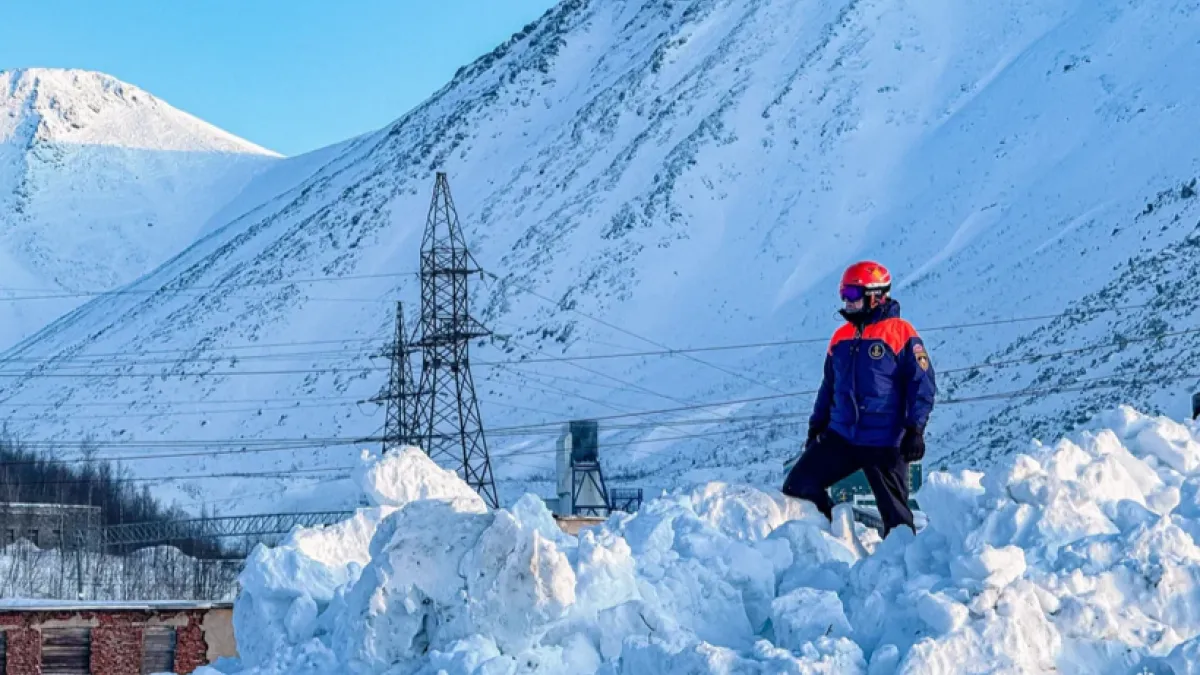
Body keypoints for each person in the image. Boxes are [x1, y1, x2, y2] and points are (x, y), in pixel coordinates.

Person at [782, 260, 936, 537]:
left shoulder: (901, 334)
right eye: (844, 294)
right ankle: (837, 535)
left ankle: (903, 568)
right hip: (842, 436)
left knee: (897, 520)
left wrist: (915, 429)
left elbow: (922, 385)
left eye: (853, 295)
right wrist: (817, 426)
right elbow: (829, 387)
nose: (846, 301)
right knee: (799, 485)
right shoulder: (841, 337)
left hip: (884, 441)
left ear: (877, 296)